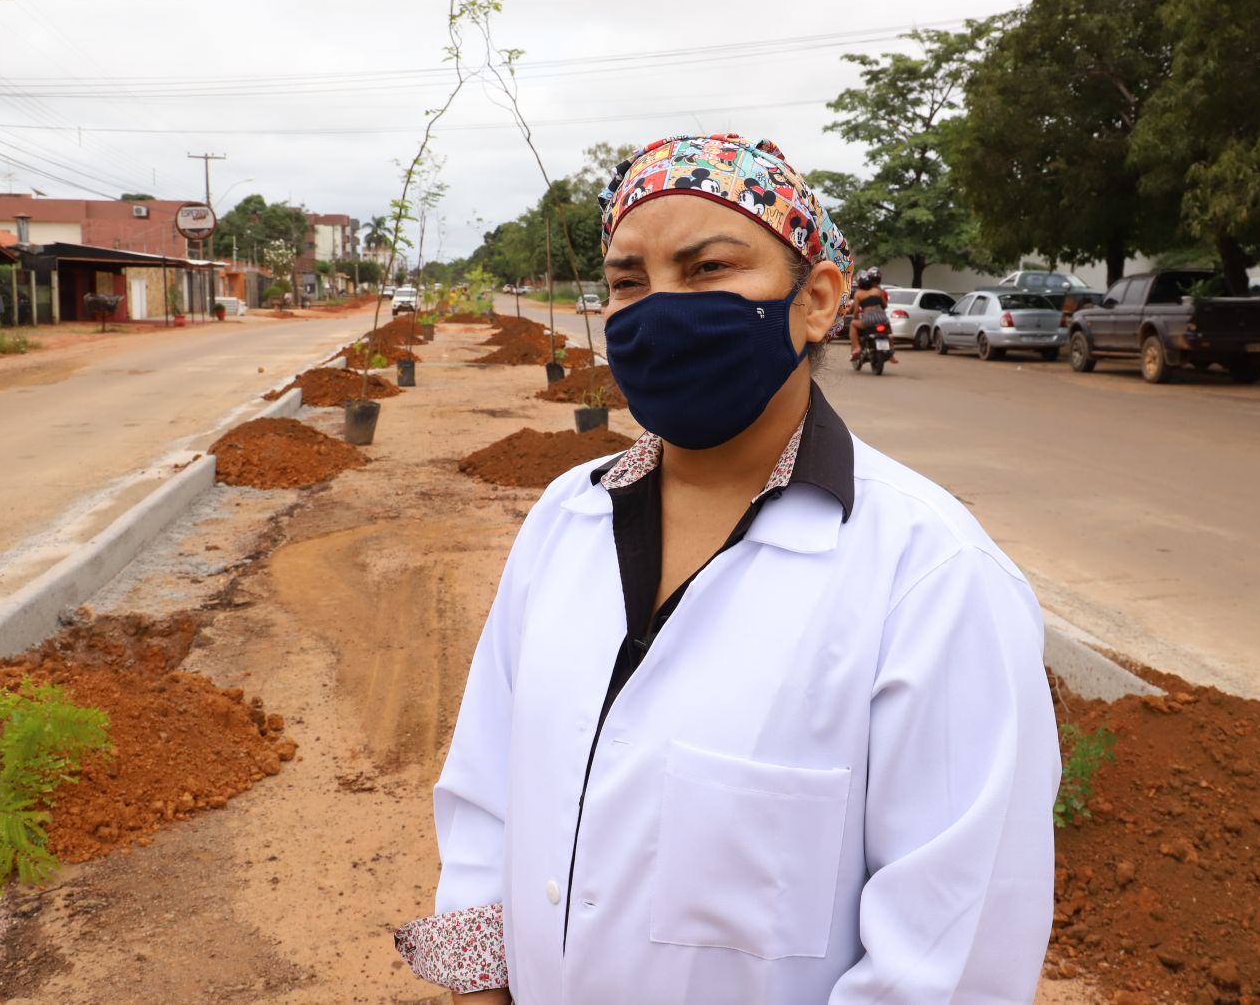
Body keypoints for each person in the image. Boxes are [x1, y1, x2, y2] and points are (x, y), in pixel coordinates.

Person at [394, 133, 1059, 1005]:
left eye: (707, 268)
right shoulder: (567, 518)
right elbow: (487, 791)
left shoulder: (934, 579)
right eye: (629, 280)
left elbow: (949, 956)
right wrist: (480, 984)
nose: (658, 309)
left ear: (816, 301)